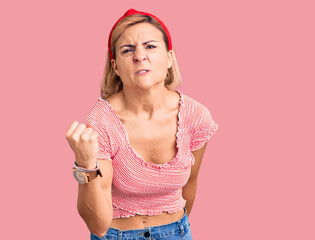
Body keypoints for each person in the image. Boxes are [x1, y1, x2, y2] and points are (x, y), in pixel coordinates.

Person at [65, 9, 218, 240]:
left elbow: (190, 186)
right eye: (128, 50)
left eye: (150, 46)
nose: (139, 56)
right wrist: (85, 165)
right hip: (117, 235)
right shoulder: (100, 123)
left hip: (178, 232)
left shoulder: (195, 116)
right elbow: (97, 225)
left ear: (169, 58)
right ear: (116, 67)